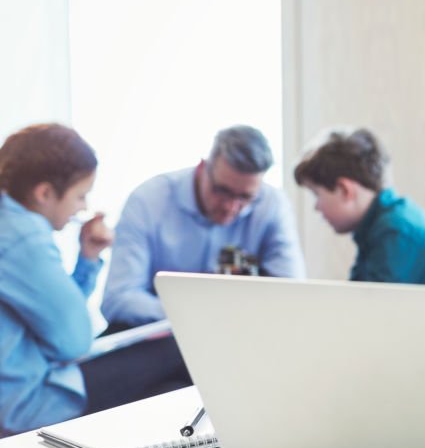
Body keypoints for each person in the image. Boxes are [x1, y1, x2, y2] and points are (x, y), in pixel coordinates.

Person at [101, 125, 305, 328]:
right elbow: (118, 299)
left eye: (245, 197)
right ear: (202, 168)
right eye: (222, 191)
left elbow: (290, 295)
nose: (230, 207)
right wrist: (196, 317)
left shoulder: (272, 205)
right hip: (163, 337)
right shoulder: (148, 202)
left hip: (241, 337)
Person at [0, 124, 112, 433]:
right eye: (80, 195)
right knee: (167, 360)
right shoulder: (22, 236)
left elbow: (54, 321)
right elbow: (74, 341)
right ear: (45, 193)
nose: (84, 207)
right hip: (26, 409)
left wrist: (87, 257)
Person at [294, 127, 425, 284]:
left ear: (346, 190)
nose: (316, 207)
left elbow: (372, 309)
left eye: (317, 194)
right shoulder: (379, 224)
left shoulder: (394, 231)